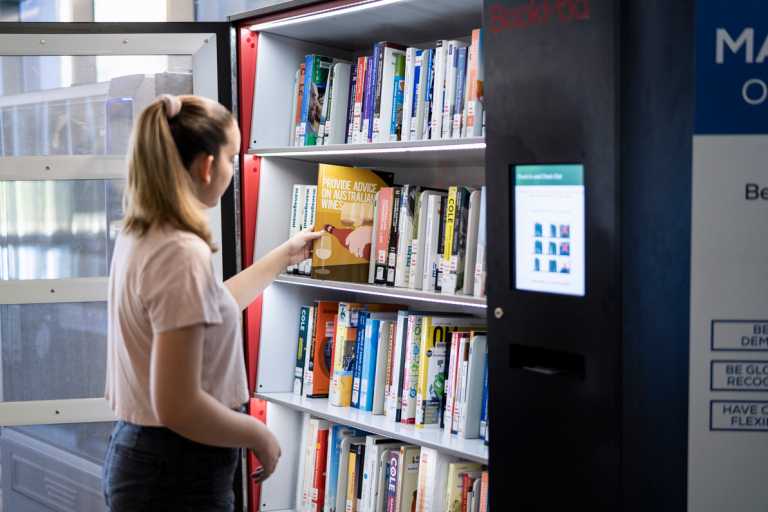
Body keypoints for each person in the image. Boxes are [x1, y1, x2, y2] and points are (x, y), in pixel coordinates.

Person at [102, 94, 323, 512]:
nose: (234, 170)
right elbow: (177, 404)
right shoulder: (181, 250)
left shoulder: (144, 231)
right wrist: (257, 435)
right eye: (232, 159)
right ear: (206, 166)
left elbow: (210, 305)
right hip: (178, 469)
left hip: (147, 456)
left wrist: (284, 256)